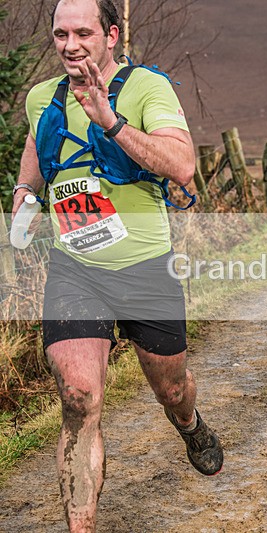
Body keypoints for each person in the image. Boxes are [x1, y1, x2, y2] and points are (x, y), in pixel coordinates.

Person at [11, 0, 222, 530]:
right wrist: (24, 189)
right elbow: (38, 142)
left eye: (82, 32)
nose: (69, 44)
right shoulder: (43, 95)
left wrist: (110, 119)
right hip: (74, 269)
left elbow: (183, 167)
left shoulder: (147, 88)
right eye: (60, 33)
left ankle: (189, 422)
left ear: (111, 34)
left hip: (145, 268)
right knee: (79, 397)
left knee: (171, 387)